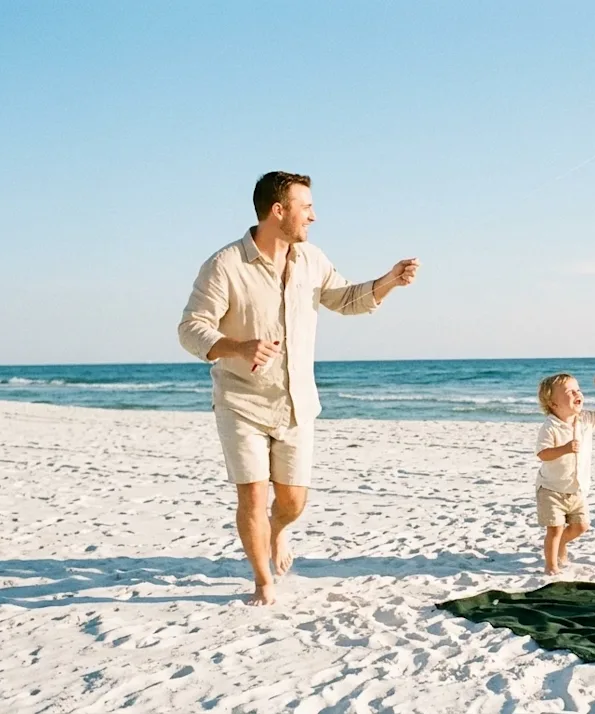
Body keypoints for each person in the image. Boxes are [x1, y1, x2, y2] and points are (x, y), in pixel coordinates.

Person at [178, 171, 419, 606]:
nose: (314, 215)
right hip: (241, 402)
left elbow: (345, 299)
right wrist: (237, 346)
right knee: (252, 494)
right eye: (306, 207)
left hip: (297, 404)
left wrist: (388, 281)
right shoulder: (225, 265)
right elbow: (191, 329)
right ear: (278, 210)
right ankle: (262, 580)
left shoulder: (312, 259)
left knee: (291, 503)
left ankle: (278, 534)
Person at [533, 373, 595, 574]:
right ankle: (551, 565)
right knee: (555, 528)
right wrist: (565, 448)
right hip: (551, 489)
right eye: (570, 391)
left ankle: (560, 545)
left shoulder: (585, 419)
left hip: (577, 488)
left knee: (582, 526)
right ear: (553, 403)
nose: (578, 393)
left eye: (578, 389)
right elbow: (542, 454)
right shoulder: (550, 426)